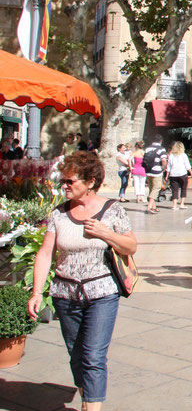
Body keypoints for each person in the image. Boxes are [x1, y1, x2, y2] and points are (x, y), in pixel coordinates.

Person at [27, 151, 137, 411]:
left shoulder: (112, 210)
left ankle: (91, 407)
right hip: (65, 294)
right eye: (62, 181)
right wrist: (36, 292)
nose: (63, 186)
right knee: (77, 356)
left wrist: (106, 233)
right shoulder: (58, 214)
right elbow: (45, 254)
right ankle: (88, 394)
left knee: (94, 356)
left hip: (102, 292)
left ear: (90, 182)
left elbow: (131, 247)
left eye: (69, 181)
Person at [143, 134, 168, 214]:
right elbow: (163, 160)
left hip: (148, 171)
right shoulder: (161, 149)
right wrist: (164, 168)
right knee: (156, 188)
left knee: (151, 188)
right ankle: (149, 207)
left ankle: (154, 207)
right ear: (161, 141)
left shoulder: (148, 148)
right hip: (157, 171)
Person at [166, 141, 192, 210]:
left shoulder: (171, 155)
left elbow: (168, 166)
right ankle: (182, 204)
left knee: (174, 190)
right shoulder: (184, 155)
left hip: (173, 175)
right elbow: (187, 165)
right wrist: (191, 173)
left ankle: (174, 205)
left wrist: (166, 175)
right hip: (182, 174)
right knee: (183, 188)